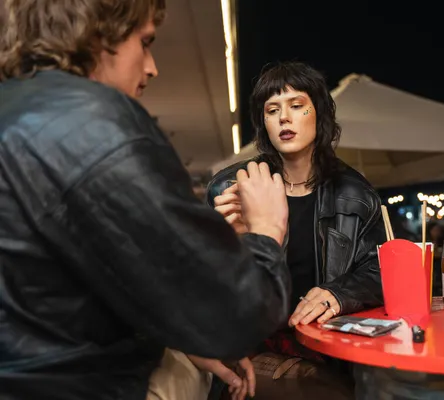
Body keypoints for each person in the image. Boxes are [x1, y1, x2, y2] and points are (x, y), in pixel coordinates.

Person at [0, 1, 291, 400]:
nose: (151, 67)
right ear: (99, 35)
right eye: (145, 42)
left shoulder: (16, 110)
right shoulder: (98, 124)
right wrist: (267, 229)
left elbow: (67, 291)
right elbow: (237, 316)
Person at [207, 62, 386, 399]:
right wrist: (227, 241)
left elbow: (381, 270)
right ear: (264, 122)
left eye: (296, 106)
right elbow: (198, 288)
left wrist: (338, 292)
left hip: (332, 350)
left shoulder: (356, 193)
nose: (284, 118)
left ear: (318, 113)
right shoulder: (230, 188)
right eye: (272, 110)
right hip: (251, 351)